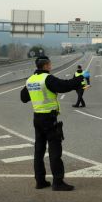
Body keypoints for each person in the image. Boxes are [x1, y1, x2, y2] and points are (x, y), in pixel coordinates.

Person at [20, 56, 83, 191]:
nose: (51, 66)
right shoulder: (47, 78)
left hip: (37, 118)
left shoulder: (30, 80)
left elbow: (23, 98)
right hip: (49, 118)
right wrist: (78, 80)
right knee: (55, 150)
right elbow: (63, 86)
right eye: (50, 64)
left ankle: (40, 181)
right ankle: (58, 182)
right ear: (46, 66)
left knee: (39, 151)